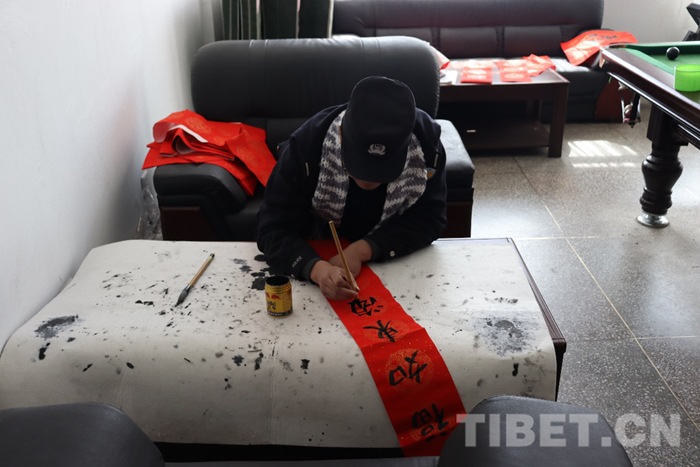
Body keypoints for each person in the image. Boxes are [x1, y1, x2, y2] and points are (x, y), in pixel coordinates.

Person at [256, 76, 447, 300]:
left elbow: (430, 217)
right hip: (316, 244)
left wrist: (363, 250)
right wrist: (316, 269)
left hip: (393, 257)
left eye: (383, 171)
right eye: (358, 166)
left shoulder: (427, 148)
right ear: (341, 135)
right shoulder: (306, 146)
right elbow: (272, 228)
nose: (368, 182)